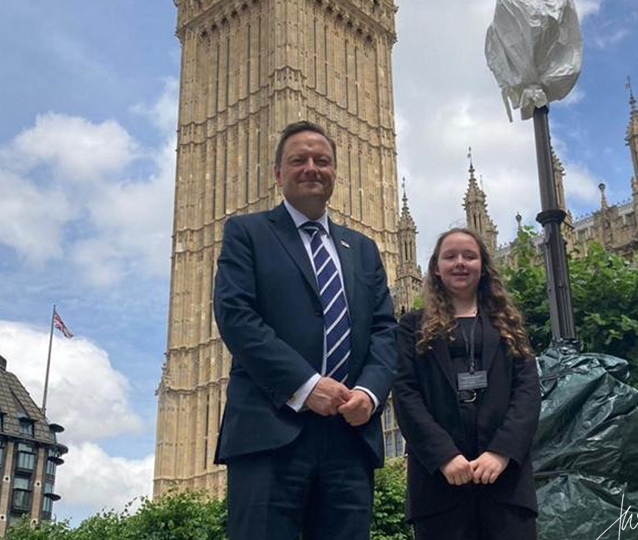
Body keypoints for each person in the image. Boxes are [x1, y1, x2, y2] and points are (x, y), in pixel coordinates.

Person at [213, 121, 398, 540]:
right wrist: (306, 385)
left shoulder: (363, 249)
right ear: (278, 173)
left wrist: (369, 393)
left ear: (335, 171)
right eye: (298, 160)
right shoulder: (247, 233)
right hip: (269, 432)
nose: (311, 168)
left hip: (349, 441)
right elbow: (235, 315)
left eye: (322, 160)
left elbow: (386, 332)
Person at [393, 228, 541, 540]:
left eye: (469, 256)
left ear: (483, 266)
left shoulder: (508, 325)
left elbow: (527, 392)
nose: (460, 263)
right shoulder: (411, 327)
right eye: (450, 256)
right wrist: (444, 455)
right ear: (436, 266)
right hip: (439, 486)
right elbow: (405, 395)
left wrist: (501, 452)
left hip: (505, 484)